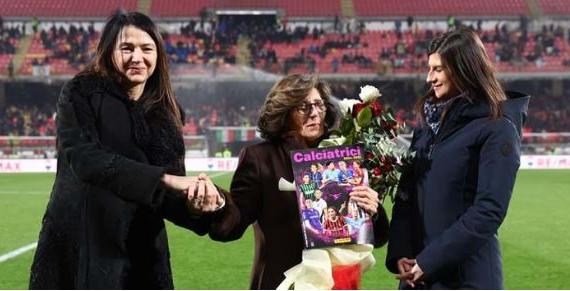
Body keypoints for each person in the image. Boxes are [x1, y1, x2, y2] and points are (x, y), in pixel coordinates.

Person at [29, 12, 223, 289]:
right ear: (109, 51)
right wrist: (163, 179)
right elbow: (84, 159)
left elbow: (168, 199)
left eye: (147, 49)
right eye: (127, 48)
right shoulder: (79, 92)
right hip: (80, 250)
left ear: (158, 56)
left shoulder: (167, 115)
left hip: (142, 258)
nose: (137, 57)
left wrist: (193, 206)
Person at [205, 74, 389, 289]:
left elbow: (379, 238)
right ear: (283, 112)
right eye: (303, 107)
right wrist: (218, 204)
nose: (315, 113)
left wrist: (373, 211)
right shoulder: (260, 158)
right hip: (283, 283)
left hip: (338, 284)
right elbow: (232, 226)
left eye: (319, 104)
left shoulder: (341, 155)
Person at [385, 27, 529, 289]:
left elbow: (488, 211)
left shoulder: (497, 128)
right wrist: (400, 252)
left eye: (438, 69)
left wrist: (429, 261)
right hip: (417, 277)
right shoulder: (426, 128)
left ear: (463, 69)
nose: (430, 78)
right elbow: (405, 197)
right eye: (429, 68)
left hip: (467, 279)